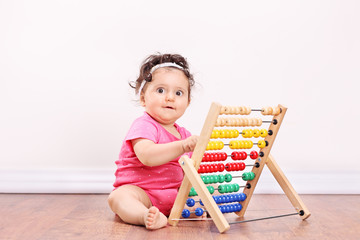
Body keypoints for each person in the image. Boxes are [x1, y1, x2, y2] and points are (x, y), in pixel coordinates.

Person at [108, 53, 200, 230]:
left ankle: (191, 209)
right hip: (141, 193)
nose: (170, 97)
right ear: (143, 98)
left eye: (178, 93)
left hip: (175, 195)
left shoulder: (185, 135)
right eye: (160, 90)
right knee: (118, 197)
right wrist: (182, 146)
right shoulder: (144, 126)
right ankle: (144, 215)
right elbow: (147, 156)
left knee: (212, 188)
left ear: (188, 102)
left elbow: (193, 170)